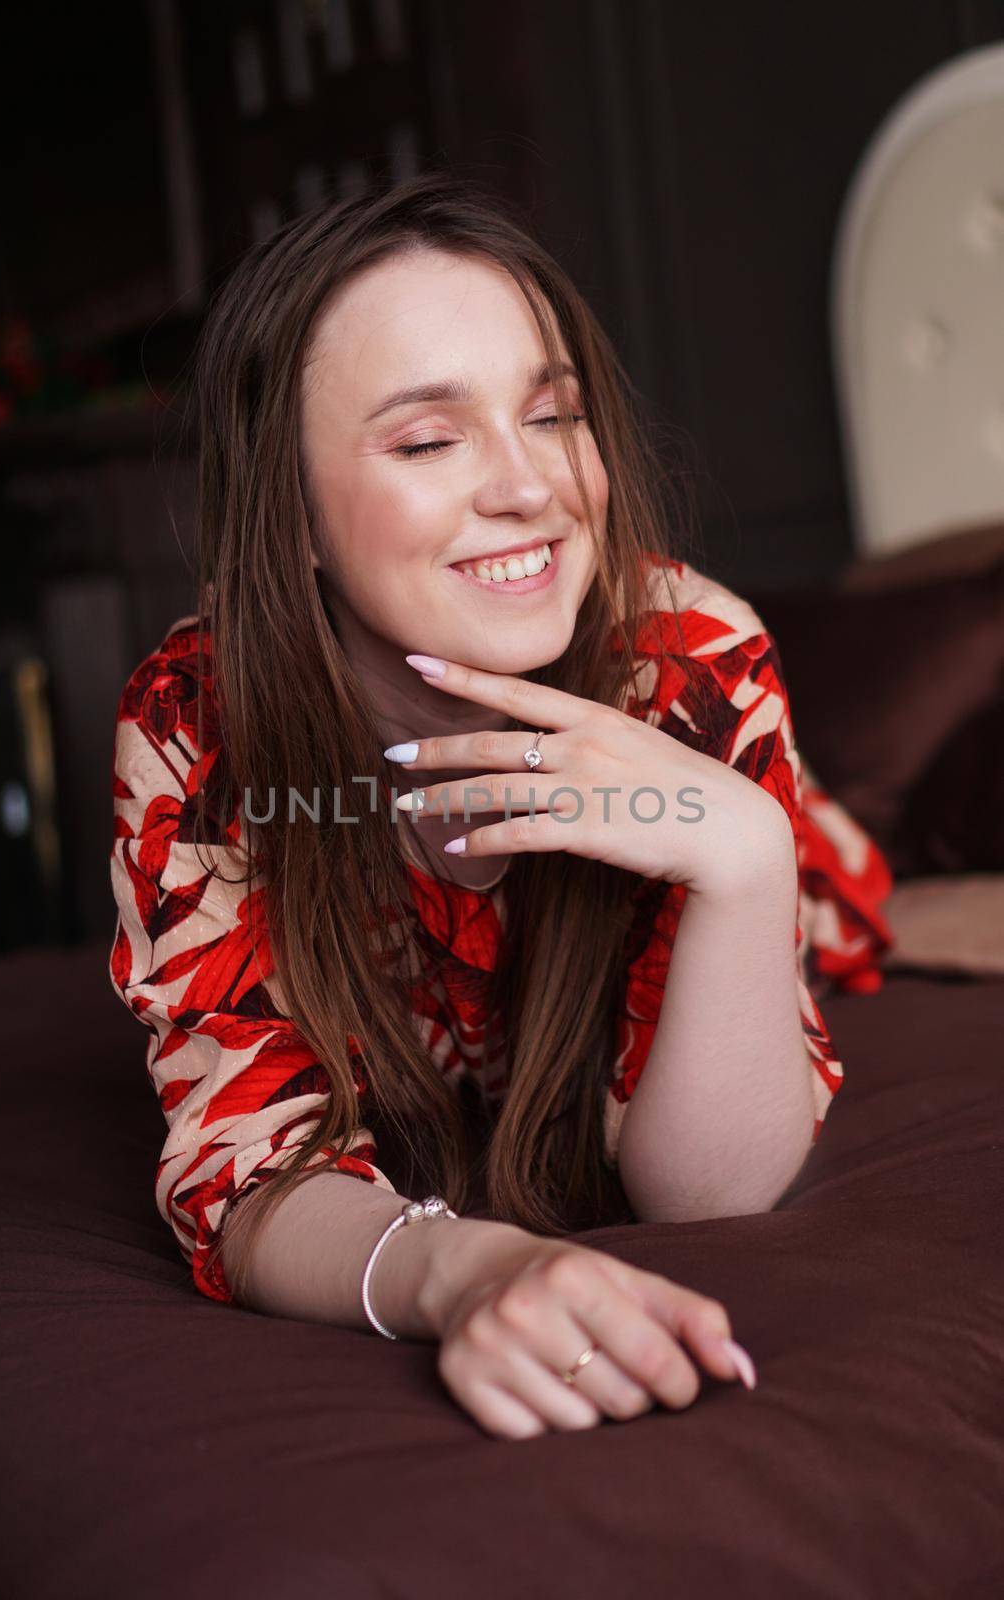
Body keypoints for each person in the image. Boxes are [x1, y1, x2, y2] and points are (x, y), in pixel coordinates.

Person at [108, 171, 893, 1442]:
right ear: (292, 510)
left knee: (835, 881)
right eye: (428, 440)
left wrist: (745, 862)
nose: (529, 488)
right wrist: (464, 1268)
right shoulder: (200, 727)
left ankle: (821, 831)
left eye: (554, 415)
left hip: (799, 879)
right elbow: (248, 1172)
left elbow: (706, 1199)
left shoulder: (688, 661)